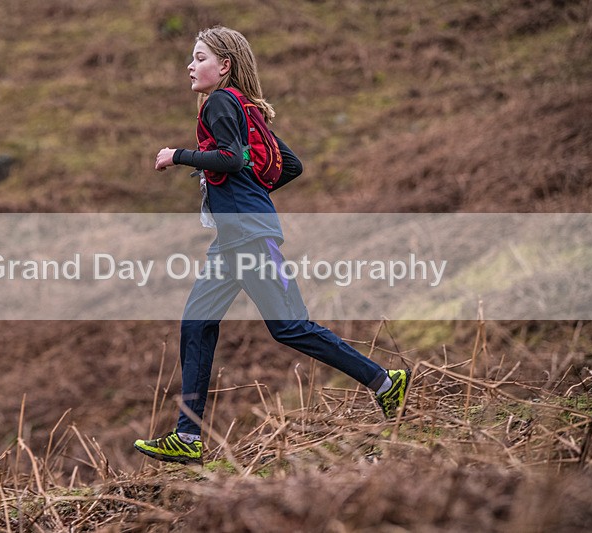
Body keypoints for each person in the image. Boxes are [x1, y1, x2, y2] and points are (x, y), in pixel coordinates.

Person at [134, 26, 410, 465]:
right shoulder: (246, 108)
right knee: (196, 324)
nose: (190, 65)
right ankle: (188, 435)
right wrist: (250, 196)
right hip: (234, 238)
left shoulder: (221, 102)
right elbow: (290, 166)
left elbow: (232, 158)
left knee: (290, 327)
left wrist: (178, 156)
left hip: (246, 235)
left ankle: (383, 381)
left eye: (200, 57)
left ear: (225, 65)